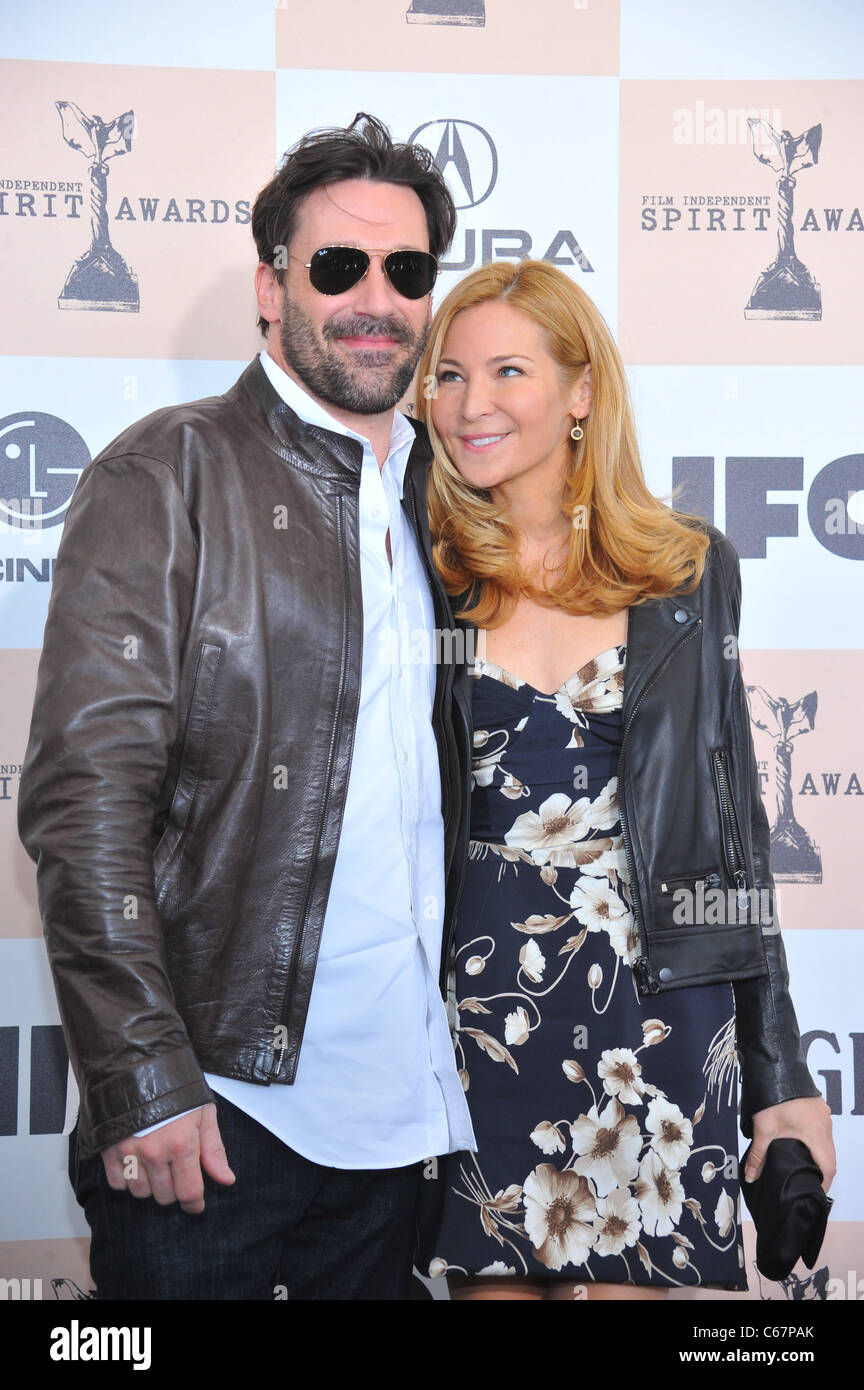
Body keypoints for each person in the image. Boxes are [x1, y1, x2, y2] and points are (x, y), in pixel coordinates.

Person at [17, 113, 477, 1301]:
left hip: (404, 1132)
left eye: (407, 271)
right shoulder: (166, 473)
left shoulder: (453, 499)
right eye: (338, 266)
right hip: (213, 1122)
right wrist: (141, 1076)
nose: (375, 298)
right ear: (271, 289)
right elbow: (84, 799)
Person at [413, 259, 835, 1301]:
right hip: (479, 1019)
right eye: (449, 376)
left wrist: (780, 1078)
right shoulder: (422, 570)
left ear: (582, 391)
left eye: (507, 370)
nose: (472, 404)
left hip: (658, 1017)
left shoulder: (688, 569)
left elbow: (732, 824)